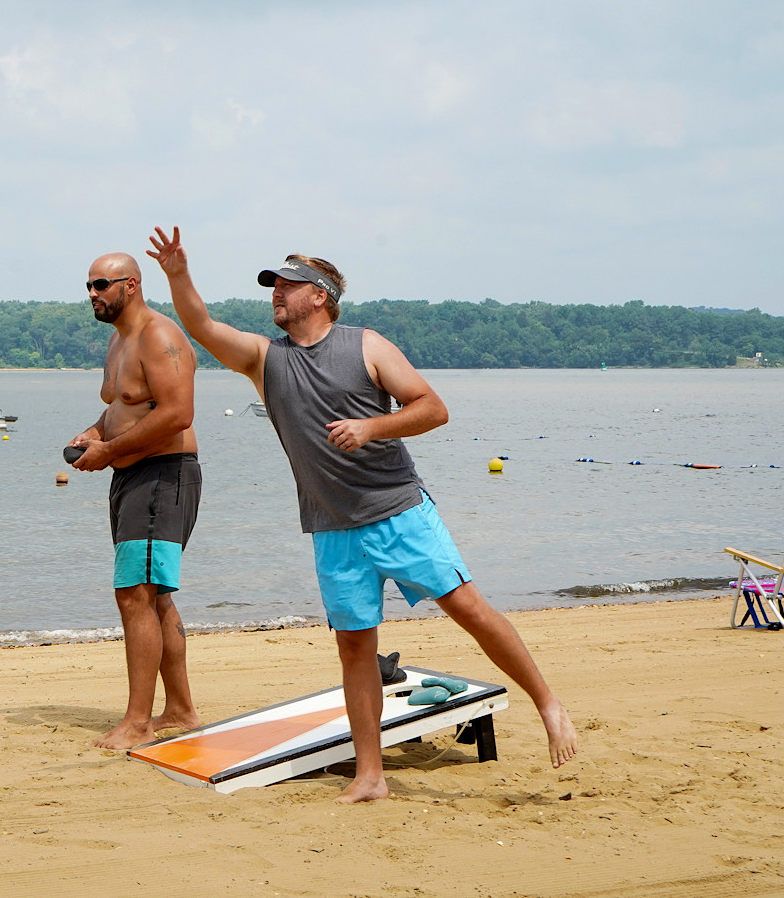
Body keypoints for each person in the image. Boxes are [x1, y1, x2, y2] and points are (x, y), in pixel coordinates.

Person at [146, 227, 578, 803]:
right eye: (273, 284)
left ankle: (547, 704)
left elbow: (432, 407)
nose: (275, 292)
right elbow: (201, 326)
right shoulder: (264, 359)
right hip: (332, 527)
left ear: (319, 295)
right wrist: (178, 273)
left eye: (286, 284)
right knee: (354, 646)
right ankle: (370, 774)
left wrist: (371, 427)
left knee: (467, 607)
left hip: (398, 509)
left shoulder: (365, 345)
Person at [67, 252, 204, 750]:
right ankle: (181, 710)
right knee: (152, 592)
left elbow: (177, 413)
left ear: (131, 285)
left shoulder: (159, 336)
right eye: (88, 285)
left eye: (101, 284)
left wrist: (110, 451)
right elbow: (125, 409)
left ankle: (138, 722)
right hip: (133, 476)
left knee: (135, 594)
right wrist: (94, 433)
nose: (92, 294)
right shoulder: (119, 339)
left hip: (162, 475)